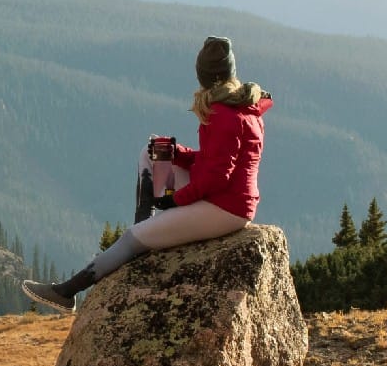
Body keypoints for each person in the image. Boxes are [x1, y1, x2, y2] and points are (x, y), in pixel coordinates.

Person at [22, 36, 272, 313]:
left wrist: (177, 200)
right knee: (152, 152)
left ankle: (67, 292)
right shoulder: (237, 106)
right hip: (226, 199)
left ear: (203, 75)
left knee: (131, 238)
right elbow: (214, 160)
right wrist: (178, 152)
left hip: (225, 208)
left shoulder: (225, 114)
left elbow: (217, 177)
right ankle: (147, 228)